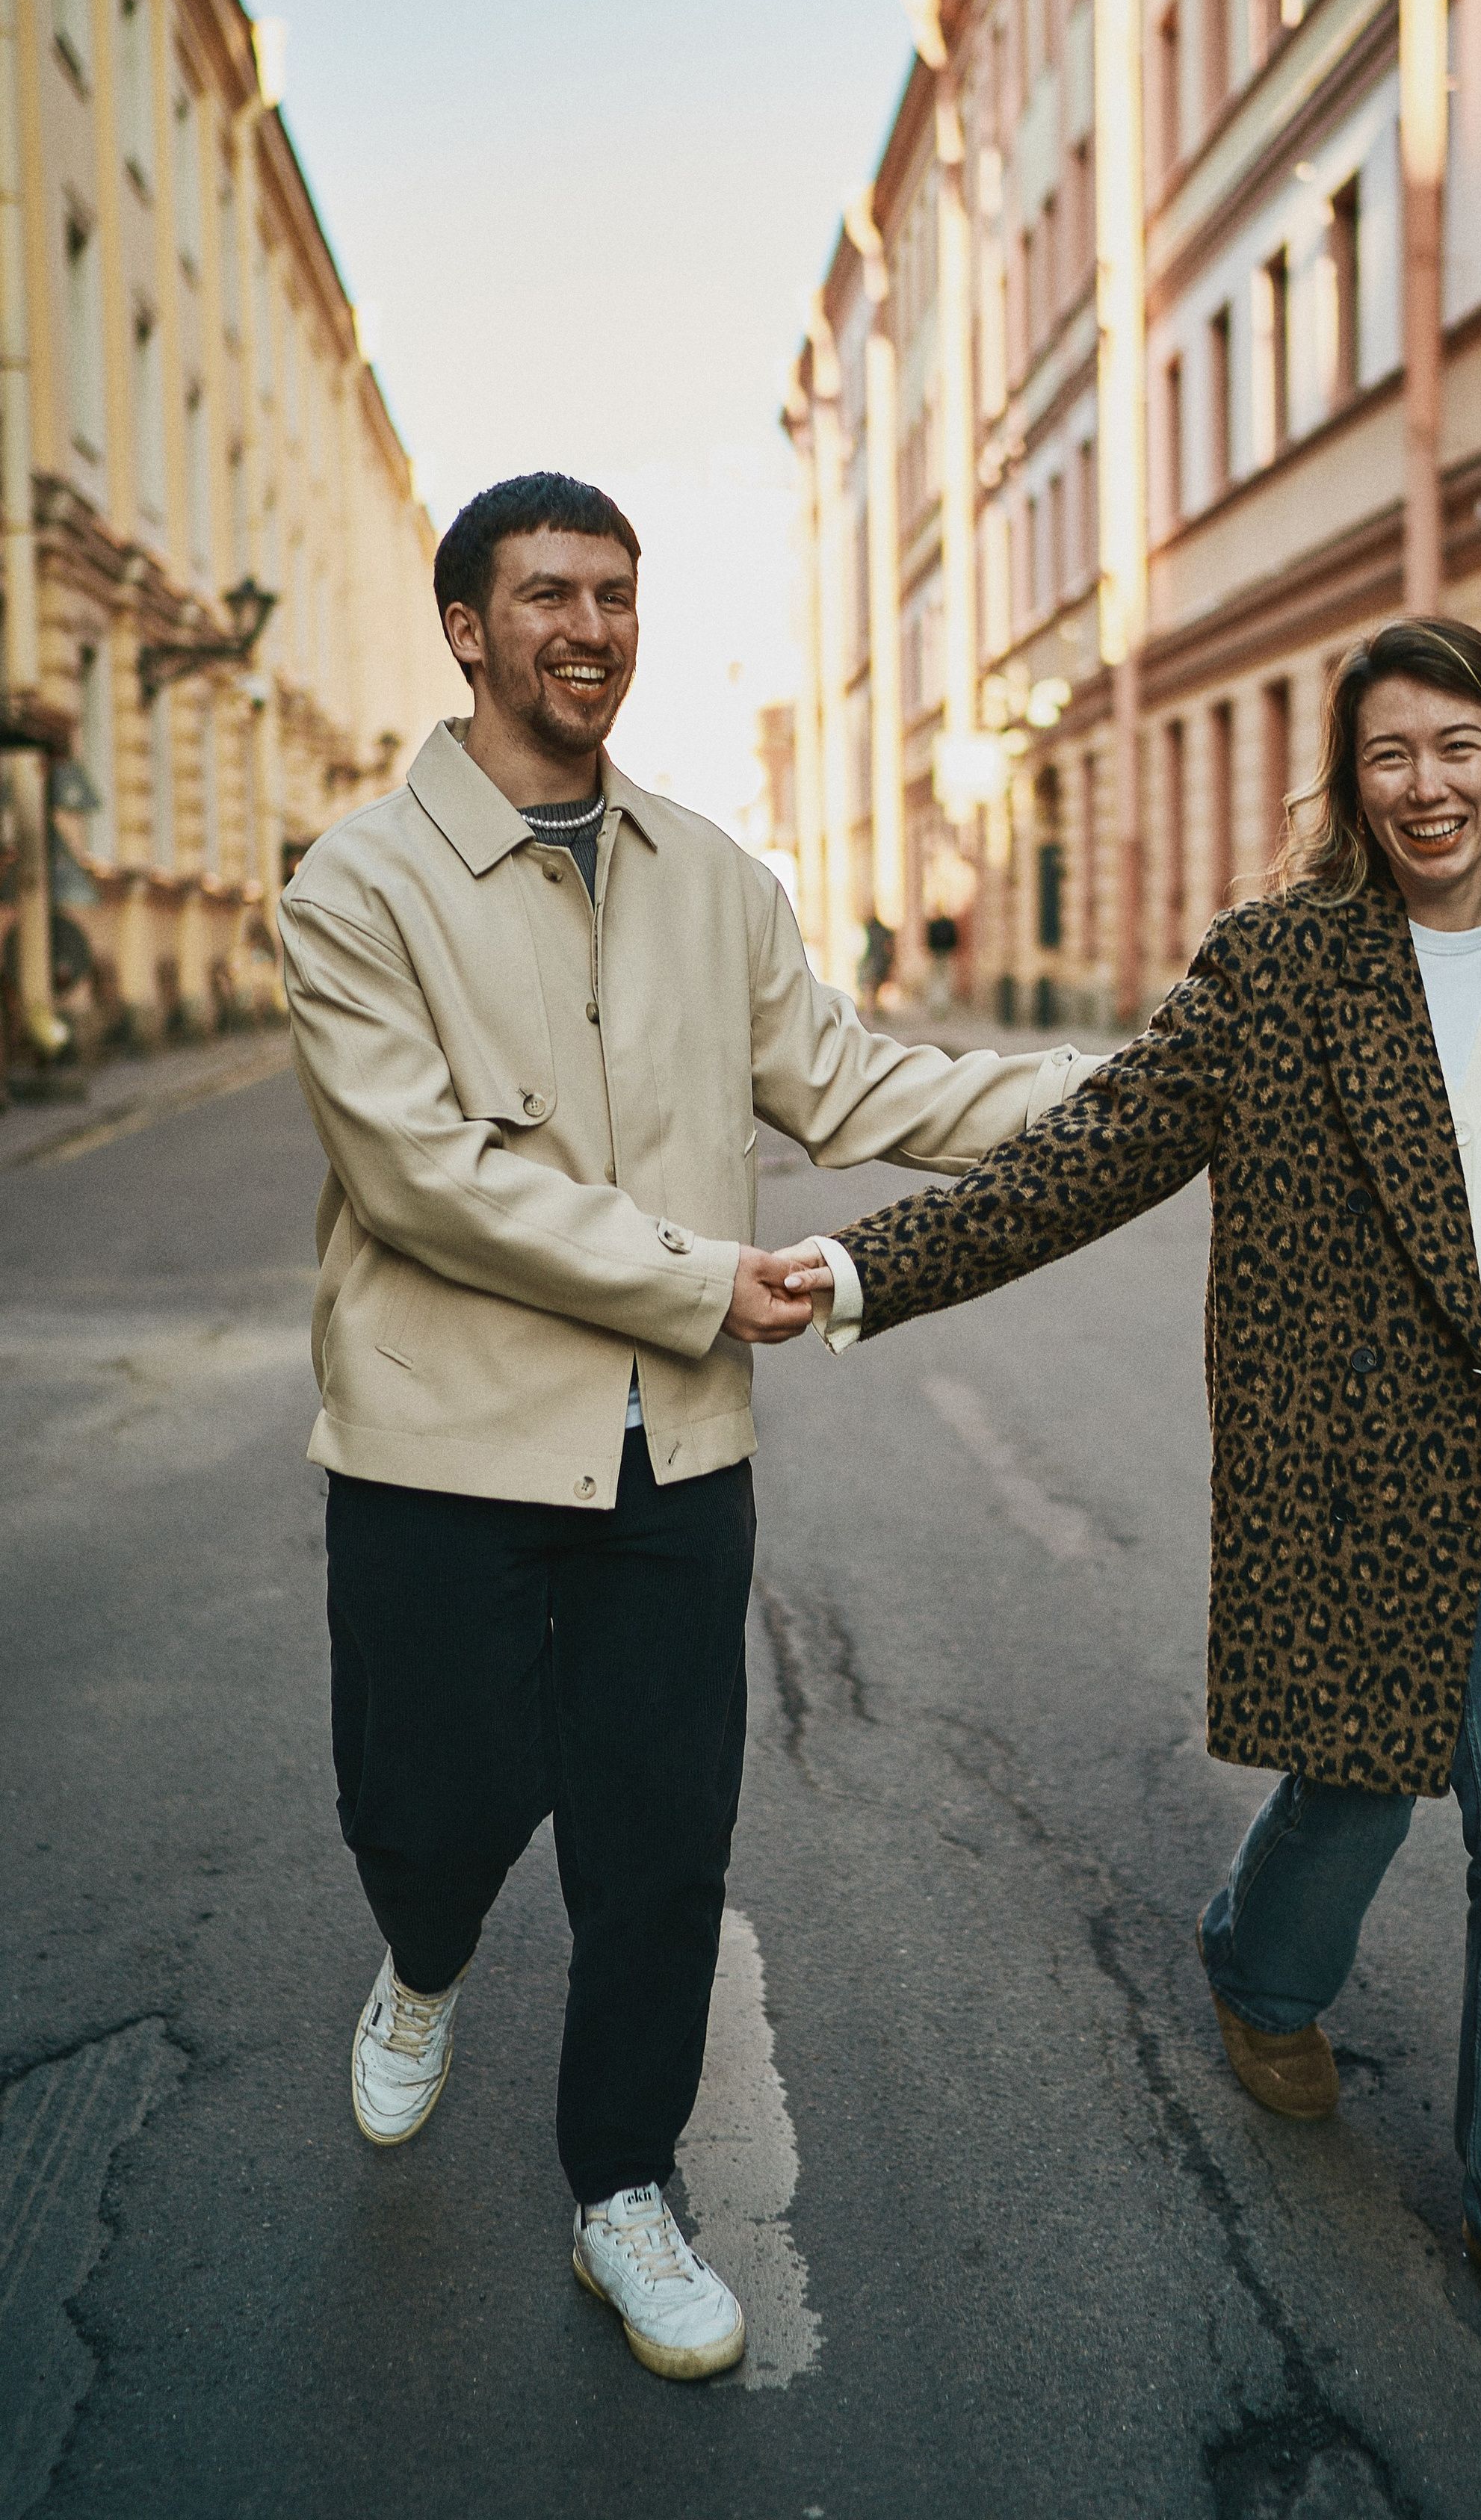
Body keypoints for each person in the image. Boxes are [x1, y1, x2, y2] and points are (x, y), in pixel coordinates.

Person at [782, 618, 1481, 2372]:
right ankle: (1256, 1966)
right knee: (1357, 1785)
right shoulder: (1279, 967)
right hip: (1353, 1478)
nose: (1425, 787)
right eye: (1389, 754)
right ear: (1351, 777)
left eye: (1455, 747)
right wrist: (867, 1274)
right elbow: (1089, 1156)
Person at [276, 472, 1096, 2381]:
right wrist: (695, 1277)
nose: (591, 629)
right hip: (439, 1451)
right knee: (431, 1808)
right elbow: (424, 1182)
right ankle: (422, 1956)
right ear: (466, 629)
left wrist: (1124, 1095)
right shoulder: (358, 885)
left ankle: (621, 2195)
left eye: (619, 596)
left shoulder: (714, 875)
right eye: (548, 595)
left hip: (672, 1455)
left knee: (660, 1837)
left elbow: (850, 1078)